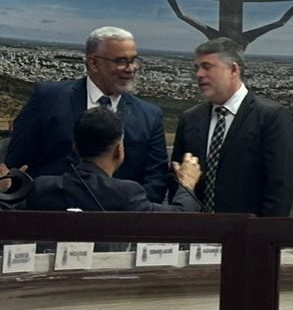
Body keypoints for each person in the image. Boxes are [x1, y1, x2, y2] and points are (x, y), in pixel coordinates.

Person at [3, 26, 170, 201]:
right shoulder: (48, 99)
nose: (131, 68)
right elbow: (16, 162)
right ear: (93, 63)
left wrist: (132, 214)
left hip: (119, 216)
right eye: (121, 61)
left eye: (134, 60)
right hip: (49, 212)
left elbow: (155, 180)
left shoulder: (150, 116)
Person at [171, 38, 293, 216]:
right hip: (196, 227)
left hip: (248, 228)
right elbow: (177, 177)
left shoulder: (271, 117)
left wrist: (264, 230)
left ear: (233, 69)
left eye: (207, 67)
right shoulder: (190, 119)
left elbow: (281, 186)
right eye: (197, 68)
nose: (199, 74)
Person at [17, 107, 203, 211]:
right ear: (118, 151)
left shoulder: (42, 187)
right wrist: (186, 184)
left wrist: (7, 188)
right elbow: (179, 216)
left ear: (75, 147)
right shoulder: (127, 194)